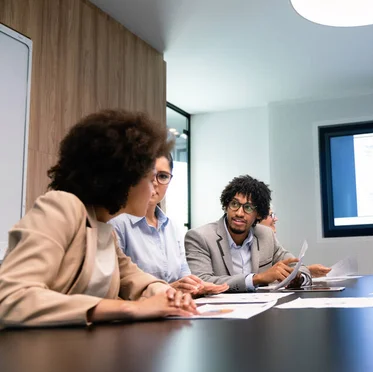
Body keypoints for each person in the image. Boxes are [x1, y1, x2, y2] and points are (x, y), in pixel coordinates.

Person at [0, 110, 199, 327]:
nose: (154, 189)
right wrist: (129, 308)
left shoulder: (103, 227)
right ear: (125, 177)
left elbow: (134, 278)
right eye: (151, 178)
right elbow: (9, 297)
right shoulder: (61, 207)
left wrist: (167, 294)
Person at [109, 152, 228, 297]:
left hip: (174, 311)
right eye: (148, 174)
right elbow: (115, 290)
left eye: (163, 176)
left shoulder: (171, 226)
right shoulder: (116, 224)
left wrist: (196, 287)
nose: (154, 183)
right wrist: (171, 289)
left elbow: (184, 277)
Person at [185, 175, 314, 292]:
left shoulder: (266, 235)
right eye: (234, 204)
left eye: (248, 207)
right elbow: (200, 282)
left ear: (259, 214)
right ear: (226, 205)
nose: (239, 213)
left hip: (260, 312)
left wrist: (298, 277)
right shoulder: (200, 237)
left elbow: (298, 267)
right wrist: (256, 279)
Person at [259, 206, 332, 278]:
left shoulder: (271, 241)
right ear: (257, 217)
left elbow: (294, 265)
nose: (276, 219)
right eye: (271, 215)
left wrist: (308, 270)